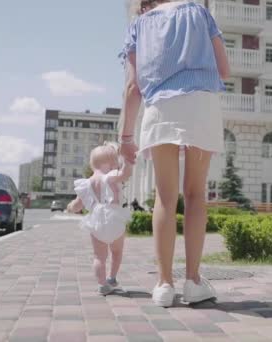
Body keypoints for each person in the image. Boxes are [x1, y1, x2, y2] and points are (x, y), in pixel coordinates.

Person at [118, 0, 230, 307]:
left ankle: (164, 285)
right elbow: (224, 70)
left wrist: (126, 136)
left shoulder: (139, 25)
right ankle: (193, 281)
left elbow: (132, 87)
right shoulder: (200, 12)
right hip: (201, 105)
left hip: (161, 108)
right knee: (195, 195)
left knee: (164, 198)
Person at [67, 143, 133, 295]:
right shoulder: (110, 176)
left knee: (99, 256)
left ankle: (102, 285)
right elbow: (125, 174)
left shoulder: (86, 183)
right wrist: (129, 161)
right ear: (110, 164)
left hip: (96, 220)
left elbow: (77, 206)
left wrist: (70, 207)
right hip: (114, 218)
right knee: (116, 252)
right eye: (116, 162)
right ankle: (112, 278)